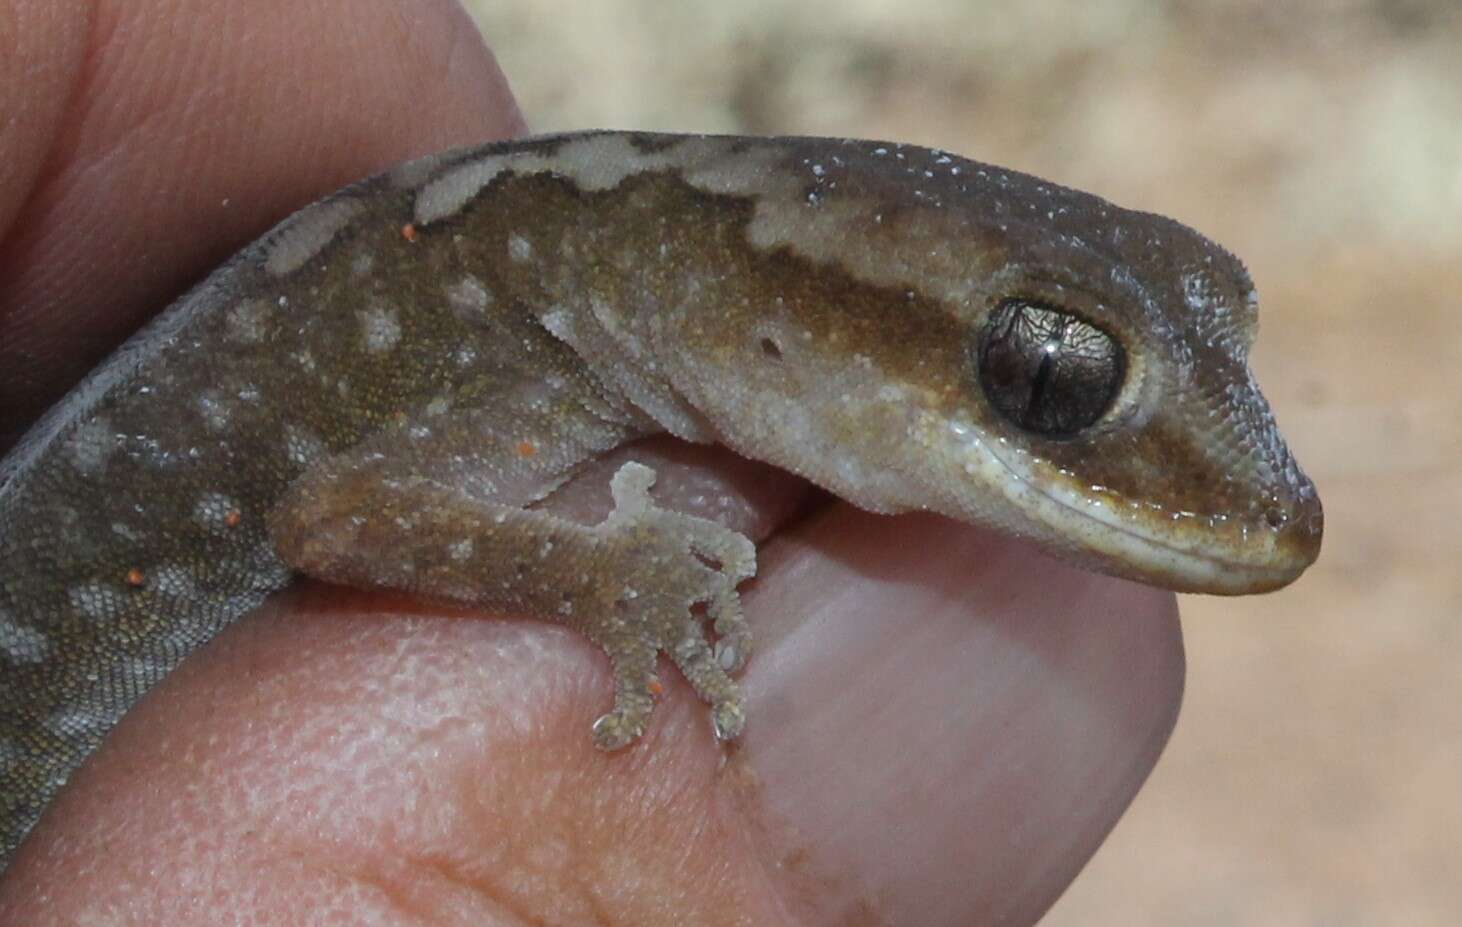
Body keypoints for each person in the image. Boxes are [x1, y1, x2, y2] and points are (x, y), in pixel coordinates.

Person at [0, 1, 1183, 922]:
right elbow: (339, 517)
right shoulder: (511, 322)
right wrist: (601, 581)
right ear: (784, 321)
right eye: (1044, 378)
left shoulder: (539, 286)